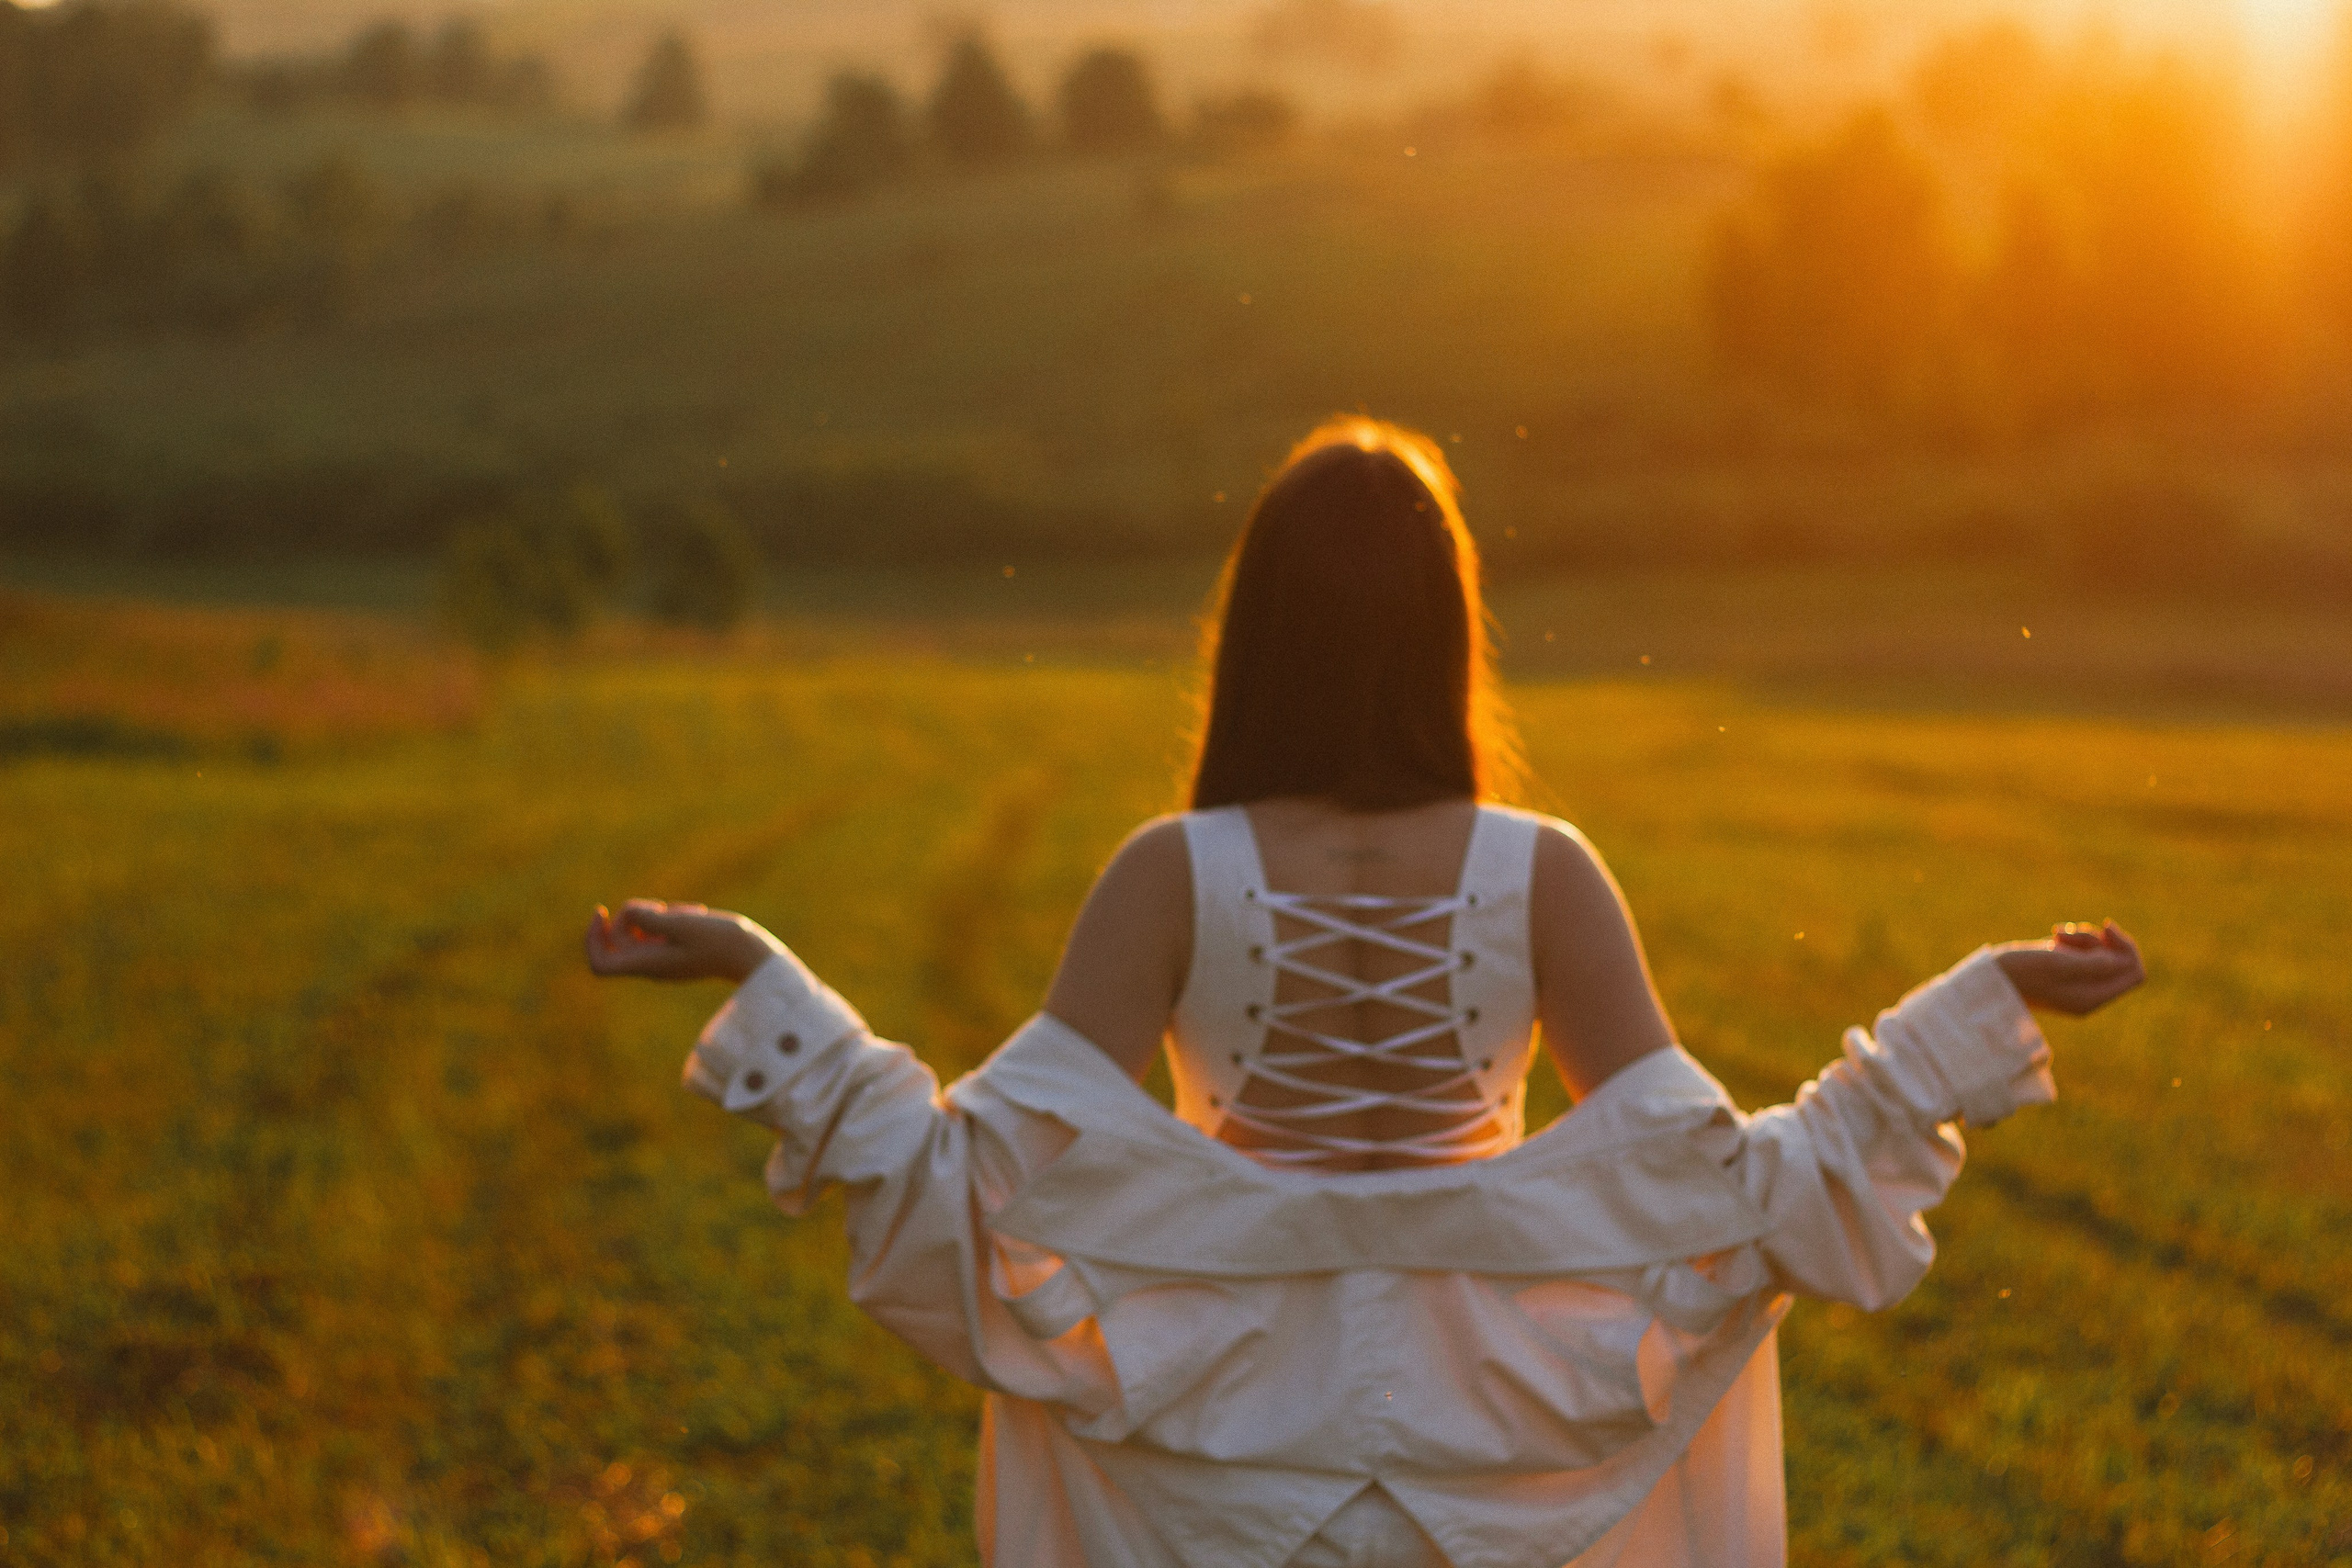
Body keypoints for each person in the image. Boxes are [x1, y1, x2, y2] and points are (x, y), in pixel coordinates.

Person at [585, 418, 2144, 1568]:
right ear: (1444, 628)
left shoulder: (1171, 872)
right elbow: (1727, 1197)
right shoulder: (1544, 872)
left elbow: (960, 1188)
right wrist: (1977, 1008)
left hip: (1216, 1465)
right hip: (1507, 1457)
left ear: (1256, 629)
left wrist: (758, 976)